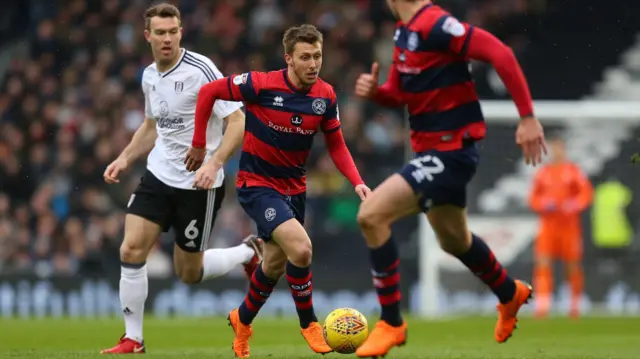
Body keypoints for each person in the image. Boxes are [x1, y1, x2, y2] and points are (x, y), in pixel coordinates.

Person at [353, 0, 547, 357]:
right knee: (453, 240)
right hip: (432, 151)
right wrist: (376, 92)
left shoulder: (436, 25)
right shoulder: (404, 32)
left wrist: (528, 117)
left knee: (371, 215)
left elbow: (499, 52)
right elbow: (399, 93)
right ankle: (509, 293)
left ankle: (391, 323)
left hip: (450, 150)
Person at [185, 24, 371, 358]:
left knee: (272, 264)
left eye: (317, 56)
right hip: (256, 186)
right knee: (301, 250)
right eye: (305, 57)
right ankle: (309, 324)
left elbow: (337, 145)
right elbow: (208, 92)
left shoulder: (325, 96)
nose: (313, 63)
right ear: (289, 58)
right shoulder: (260, 84)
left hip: (294, 189)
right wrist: (200, 145)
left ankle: (241, 320)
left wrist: (356, 180)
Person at [100, 3, 263, 354]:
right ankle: (134, 338)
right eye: (160, 33)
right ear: (148, 36)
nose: (167, 39)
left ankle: (246, 252)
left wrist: (213, 162)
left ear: (180, 33)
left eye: (173, 32)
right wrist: (125, 158)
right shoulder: (148, 76)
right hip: (159, 175)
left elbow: (237, 121)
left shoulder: (201, 70)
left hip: (198, 185)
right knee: (130, 249)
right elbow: (150, 126)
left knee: (188, 272)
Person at [528, 137, 593, 318]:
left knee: (572, 265)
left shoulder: (573, 171)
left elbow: (586, 194)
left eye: (559, 148)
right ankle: (542, 303)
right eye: (553, 148)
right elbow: (533, 199)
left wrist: (573, 205)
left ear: (564, 150)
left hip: (569, 226)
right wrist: (542, 204)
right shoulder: (543, 173)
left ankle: (575, 304)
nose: (556, 152)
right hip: (548, 226)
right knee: (543, 263)